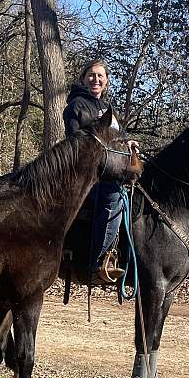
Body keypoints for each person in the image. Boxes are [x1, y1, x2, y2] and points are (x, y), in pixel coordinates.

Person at [63, 60, 136, 285]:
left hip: (112, 171)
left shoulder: (106, 109)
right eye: (91, 75)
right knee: (112, 197)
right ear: (83, 79)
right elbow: (75, 145)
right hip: (88, 176)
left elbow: (119, 138)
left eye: (100, 76)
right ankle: (96, 264)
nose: (96, 79)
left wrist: (129, 143)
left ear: (106, 81)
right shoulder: (76, 106)